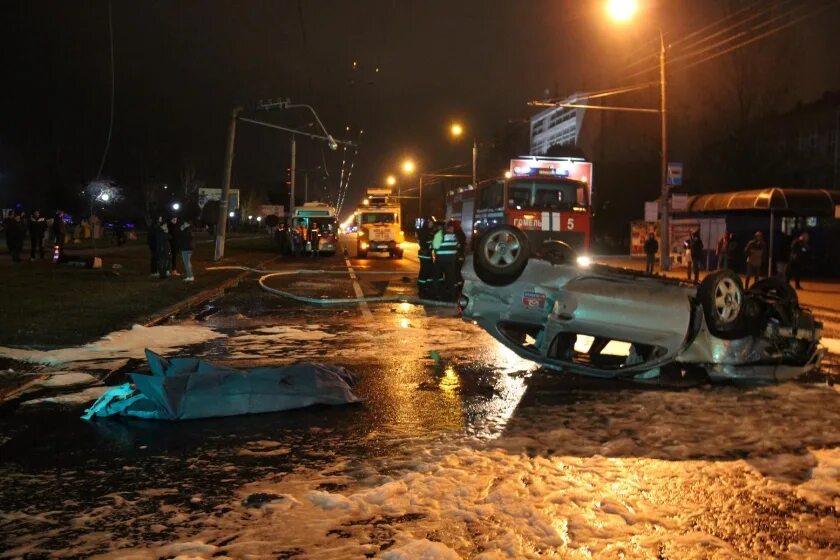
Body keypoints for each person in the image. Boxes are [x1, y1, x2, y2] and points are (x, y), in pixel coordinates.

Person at [435, 221, 461, 301]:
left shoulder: (439, 234)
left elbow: (435, 246)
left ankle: (438, 294)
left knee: (437, 277)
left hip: (440, 260)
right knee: (450, 278)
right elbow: (458, 245)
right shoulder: (454, 236)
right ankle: (452, 295)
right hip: (450, 261)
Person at [416, 217, 437, 299]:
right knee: (425, 270)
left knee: (424, 270)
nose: (432, 224)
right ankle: (422, 288)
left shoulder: (422, 230)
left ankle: (423, 286)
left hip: (424, 253)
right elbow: (427, 243)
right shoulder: (426, 232)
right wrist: (433, 241)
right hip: (426, 254)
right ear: (428, 222)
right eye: (431, 223)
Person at [175, 217, 195, 282]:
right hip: (189, 248)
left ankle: (190, 276)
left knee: (186, 263)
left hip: (186, 248)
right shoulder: (189, 230)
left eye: (185, 223)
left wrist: (181, 229)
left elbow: (180, 236)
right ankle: (189, 275)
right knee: (188, 262)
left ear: (188, 224)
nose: (184, 224)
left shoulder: (186, 230)